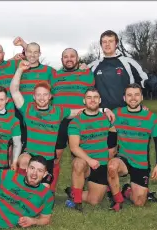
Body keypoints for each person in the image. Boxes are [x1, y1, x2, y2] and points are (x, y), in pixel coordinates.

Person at [10, 61, 115, 190]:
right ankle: (20, 189)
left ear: (50, 96)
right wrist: (20, 70)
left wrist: (103, 110)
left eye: (45, 95)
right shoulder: (27, 109)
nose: (42, 98)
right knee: (24, 160)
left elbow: (80, 111)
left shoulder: (58, 111)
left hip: (47, 160)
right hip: (31, 154)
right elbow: (14, 91)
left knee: (43, 194)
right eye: (38, 95)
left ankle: (44, 188)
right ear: (33, 96)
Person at [107, 83, 157, 211]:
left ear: (142, 97)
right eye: (129, 95)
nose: (133, 98)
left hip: (141, 163)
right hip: (123, 158)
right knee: (112, 166)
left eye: (136, 95)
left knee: (139, 202)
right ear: (124, 98)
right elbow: (94, 115)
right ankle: (117, 199)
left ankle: (126, 190)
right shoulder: (117, 114)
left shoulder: (151, 118)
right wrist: (105, 110)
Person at [50, 48, 97, 191]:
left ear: (78, 58)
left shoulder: (87, 74)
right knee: (55, 156)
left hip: (80, 122)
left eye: (72, 56)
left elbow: (94, 96)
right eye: (65, 56)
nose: (69, 59)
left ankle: (77, 190)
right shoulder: (54, 75)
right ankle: (49, 191)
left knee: (80, 157)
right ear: (61, 59)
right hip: (59, 121)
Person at [65, 88, 114, 211]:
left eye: (95, 97)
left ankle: (73, 191)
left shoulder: (107, 118)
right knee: (78, 163)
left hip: (101, 163)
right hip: (86, 162)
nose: (92, 100)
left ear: (100, 100)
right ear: (84, 101)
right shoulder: (76, 122)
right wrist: (89, 160)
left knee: (94, 201)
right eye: (89, 97)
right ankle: (77, 202)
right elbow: (74, 147)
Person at [87, 30, 148, 111]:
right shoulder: (93, 66)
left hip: (125, 113)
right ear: (101, 45)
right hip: (101, 114)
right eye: (104, 42)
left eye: (110, 41)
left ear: (116, 44)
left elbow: (145, 82)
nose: (107, 44)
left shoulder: (129, 62)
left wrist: (138, 103)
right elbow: (82, 86)